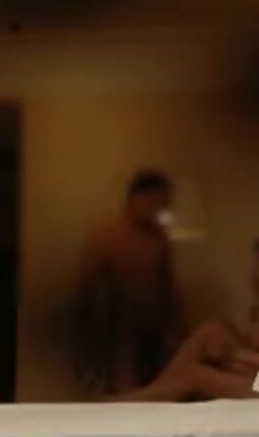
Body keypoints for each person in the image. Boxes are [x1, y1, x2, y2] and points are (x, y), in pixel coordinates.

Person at [110, 230, 259, 402]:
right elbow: (253, 349)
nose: (252, 273)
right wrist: (232, 353)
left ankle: (137, 401)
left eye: (257, 263)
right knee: (213, 330)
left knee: (196, 375)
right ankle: (150, 393)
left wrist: (237, 356)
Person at [76, 170, 185, 398]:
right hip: (116, 331)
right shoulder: (105, 237)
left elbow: (167, 287)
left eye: (164, 204)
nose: (160, 209)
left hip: (153, 330)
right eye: (157, 202)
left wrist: (175, 329)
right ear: (136, 198)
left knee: (156, 389)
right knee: (122, 388)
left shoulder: (159, 238)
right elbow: (88, 292)